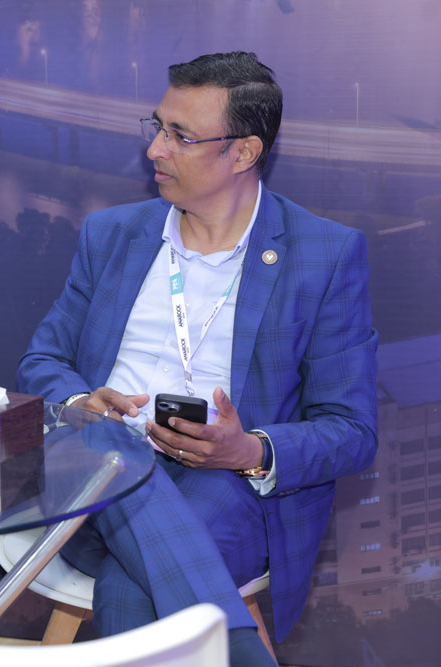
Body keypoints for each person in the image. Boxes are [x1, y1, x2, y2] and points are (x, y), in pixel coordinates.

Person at [18, 52, 376, 665]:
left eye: (180, 136)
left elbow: (353, 430)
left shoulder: (323, 254)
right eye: (157, 127)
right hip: (93, 477)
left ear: (243, 152)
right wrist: (81, 403)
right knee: (113, 449)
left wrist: (249, 450)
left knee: (131, 587)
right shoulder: (112, 235)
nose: (155, 149)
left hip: (225, 484)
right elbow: (42, 361)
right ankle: (242, 650)